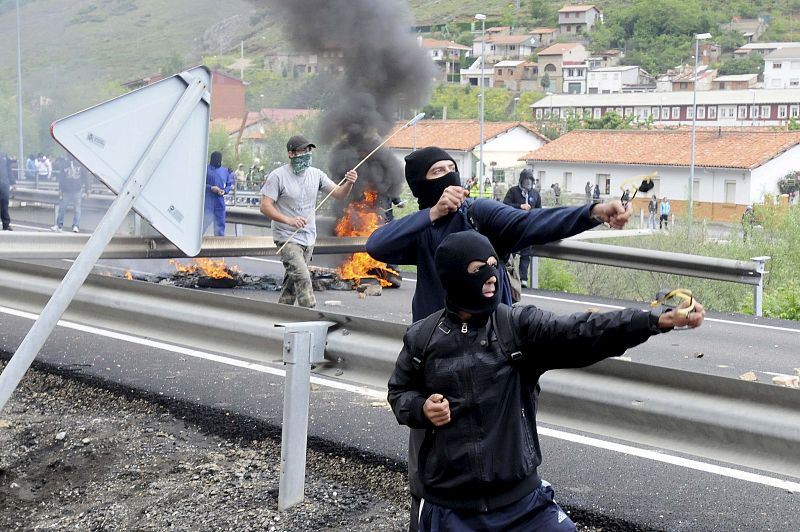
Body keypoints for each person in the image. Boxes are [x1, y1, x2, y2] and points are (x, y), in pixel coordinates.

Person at [366, 146, 630, 532]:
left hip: (497, 360)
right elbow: (376, 246)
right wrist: (432, 214)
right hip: (437, 364)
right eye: (438, 172)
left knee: (503, 455)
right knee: (430, 465)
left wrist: (590, 214)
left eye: (453, 168)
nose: (449, 176)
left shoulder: (479, 214)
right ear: (422, 187)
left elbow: (533, 224)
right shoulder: (423, 227)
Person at [388, 231, 705, 532]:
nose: (491, 276)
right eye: (477, 269)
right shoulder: (423, 338)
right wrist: (421, 407)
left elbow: (582, 330)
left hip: (522, 504)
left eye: (494, 266)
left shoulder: (516, 326)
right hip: (449, 511)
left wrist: (653, 321)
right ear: (454, 277)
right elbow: (399, 392)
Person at [260, 134, 358, 308]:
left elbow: (339, 193)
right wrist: (288, 220)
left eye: (308, 150)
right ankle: (311, 314)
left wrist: (349, 183)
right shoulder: (278, 176)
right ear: (291, 154)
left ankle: (282, 313)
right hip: (286, 237)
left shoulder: (316, 175)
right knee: (303, 277)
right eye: (302, 151)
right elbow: (265, 206)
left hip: (308, 237)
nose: (306, 154)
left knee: (293, 280)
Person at [503, 169, 542, 290]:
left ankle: (523, 279)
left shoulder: (535, 194)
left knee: (526, 255)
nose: (528, 182)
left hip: (528, 229)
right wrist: (520, 206)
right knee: (511, 254)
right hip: (514, 228)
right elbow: (505, 205)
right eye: (526, 180)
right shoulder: (513, 191)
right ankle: (508, 277)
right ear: (521, 180)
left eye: (530, 180)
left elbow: (539, 211)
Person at [51, 158, 87, 233]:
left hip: (77, 190)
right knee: (62, 209)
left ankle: (76, 225)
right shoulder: (64, 163)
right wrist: (60, 189)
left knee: (77, 209)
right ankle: (59, 225)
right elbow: (61, 178)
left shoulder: (81, 163)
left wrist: (88, 189)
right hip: (66, 190)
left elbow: (85, 176)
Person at [203, 151, 233, 236]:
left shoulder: (224, 171)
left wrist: (225, 191)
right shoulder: (205, 170)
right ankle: (197, 243)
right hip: (207, 202)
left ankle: (219, 244)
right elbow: (199, 184)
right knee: (203, 224)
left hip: (220, 202)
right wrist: (210, 188)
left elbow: (228, 184)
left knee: (220, 226)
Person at [0, 150, 15, 231]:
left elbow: (9, 169)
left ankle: (6, 225)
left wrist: (13, 182)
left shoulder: (4, 154)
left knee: (5, 203)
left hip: (4, 183)